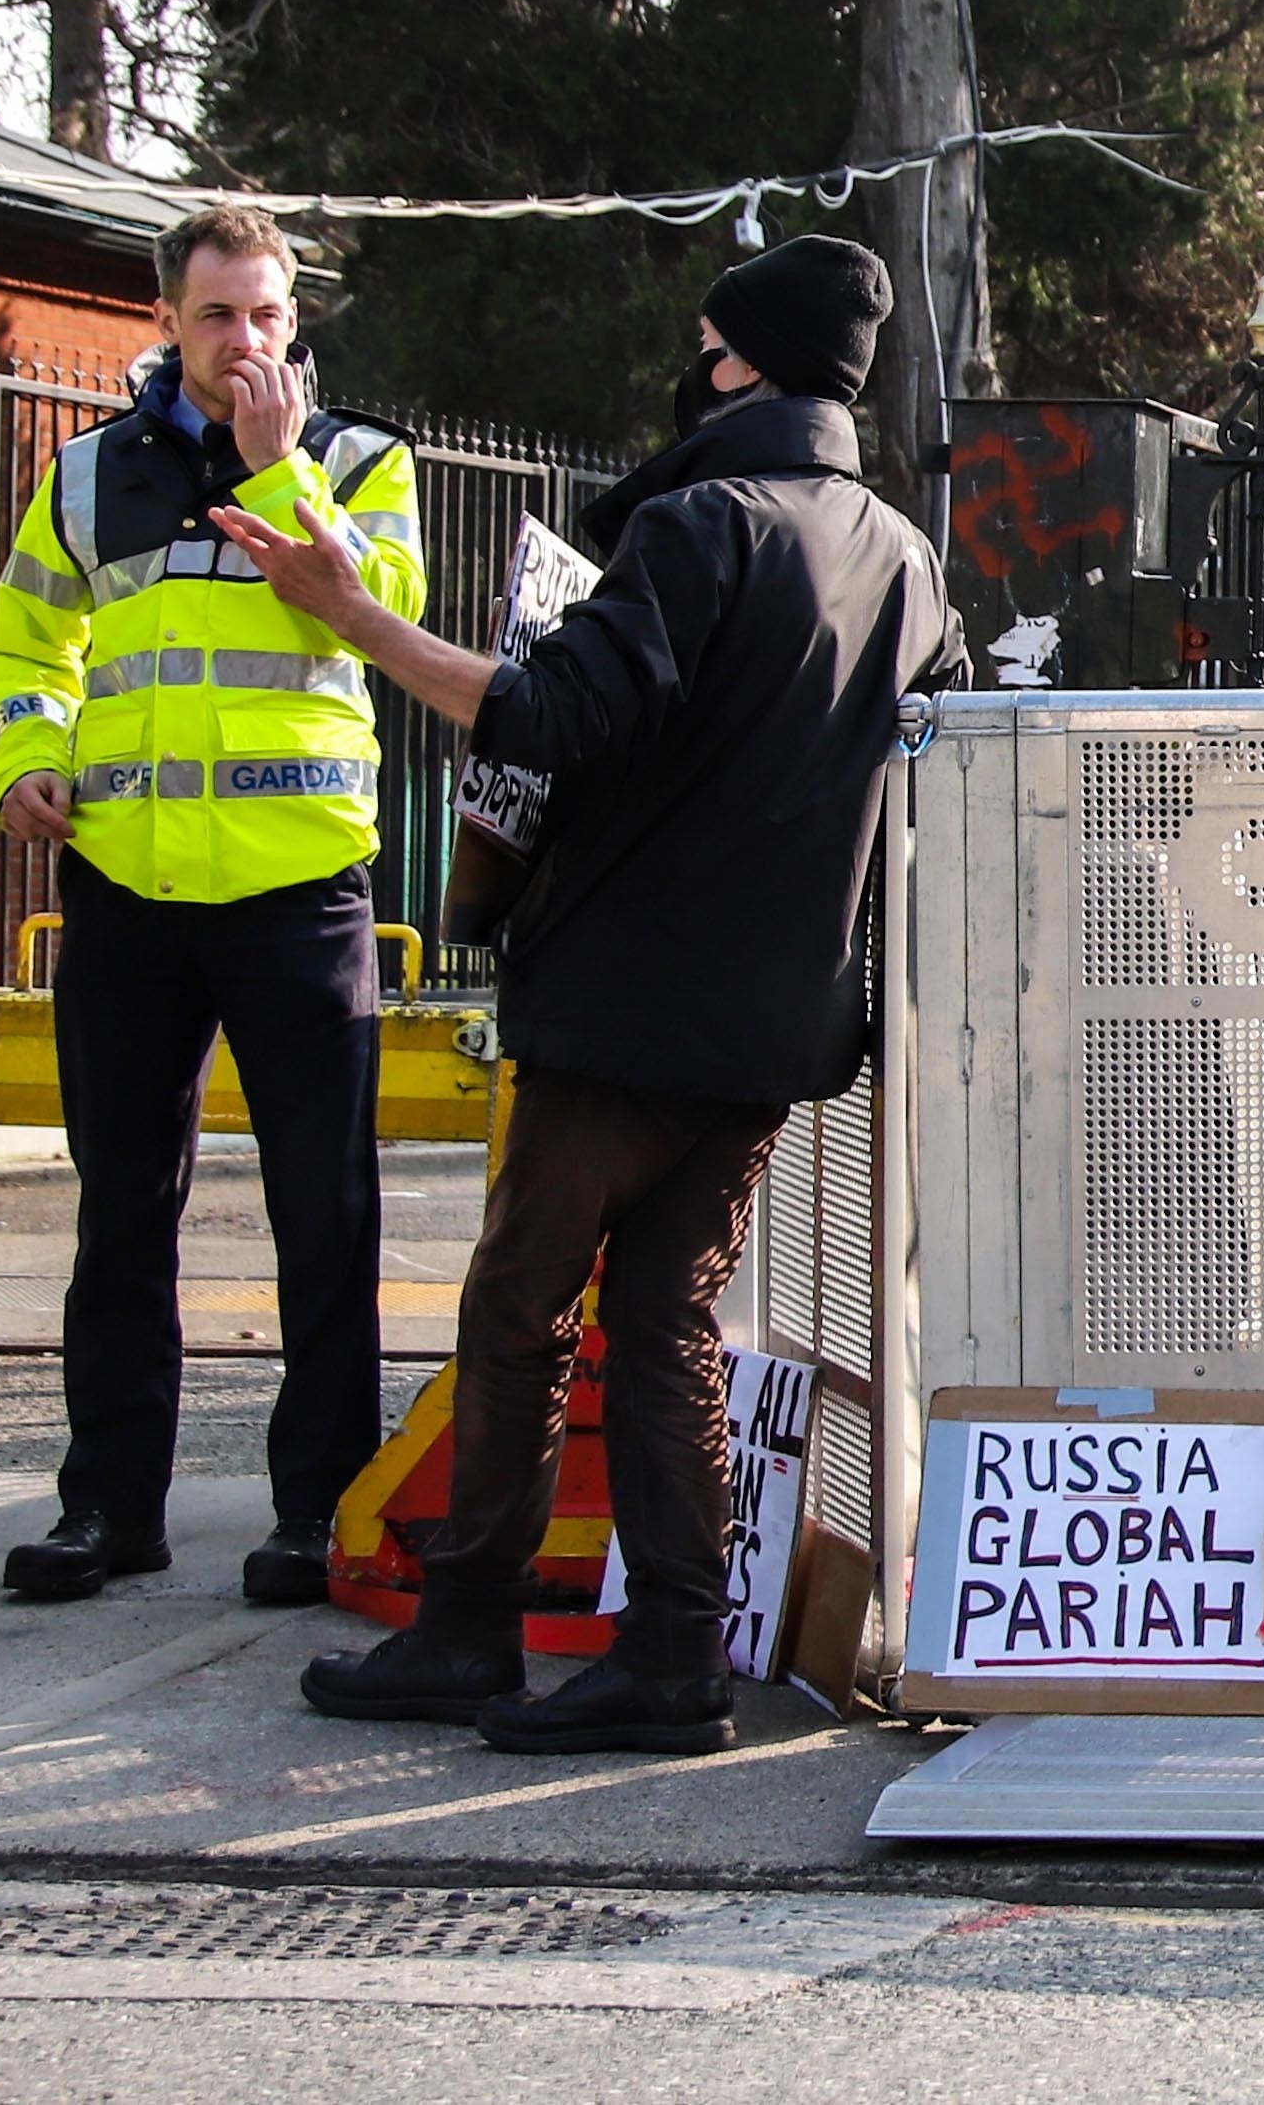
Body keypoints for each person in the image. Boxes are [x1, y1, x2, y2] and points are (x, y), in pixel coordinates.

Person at [210, 235, 953, 1754]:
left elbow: (550, 715)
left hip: (626, 1006)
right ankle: (675, 1653)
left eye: (712, 344)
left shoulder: (705, 522)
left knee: (519, 1311)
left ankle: (471, 1630)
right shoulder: (899, 550)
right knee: (672, 1319)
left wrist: (353, 614)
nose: (697, 365)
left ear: (746, 364)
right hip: (772, 1020)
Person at [0, 202, 421, 1608]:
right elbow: (28, 637)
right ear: (167, 321)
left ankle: (323, 1514)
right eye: (220, 314)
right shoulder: (89, 472)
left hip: (298, 893)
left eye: (270, 315)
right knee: (121, 1211)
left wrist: (283, 474)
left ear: (300, 323)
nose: (247, 341)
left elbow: (374, 616)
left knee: (324, 1214)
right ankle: (108, 1508)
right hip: (124, 887)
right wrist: (26, 757)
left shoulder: (359, 465)